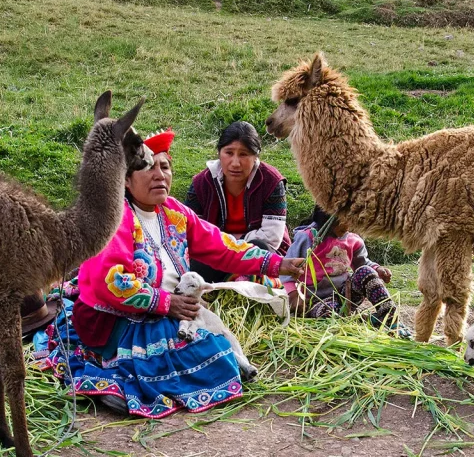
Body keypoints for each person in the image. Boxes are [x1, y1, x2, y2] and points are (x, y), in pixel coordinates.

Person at [33, 129, 305, 418]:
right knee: (200, 358)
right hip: (119, 318)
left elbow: (222, 245)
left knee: (215, 353)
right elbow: (109, 281)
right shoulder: (117, 218)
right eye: (148, 167)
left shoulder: (174, 212)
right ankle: (117, 387)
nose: (159, 174)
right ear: (126, 179)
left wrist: (278, 264)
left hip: (167, 311)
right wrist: (166, 303)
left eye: (165, 166)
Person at [185, 121, 290, 283]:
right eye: (229, 153)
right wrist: (225, 250)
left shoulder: (271, 182)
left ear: (256, 157)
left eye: (243, 154)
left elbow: (272, 237)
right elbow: (191, 233)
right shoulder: (201, 184)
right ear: (219, 153)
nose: (235, 163)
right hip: (218, 255)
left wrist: (230, 247)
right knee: (197, 262)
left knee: (258, 247)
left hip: (262, 255)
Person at [282, 206, 408, 335]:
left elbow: (363, 263)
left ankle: (390, 318)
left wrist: (377, 269)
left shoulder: (353, 240)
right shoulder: (308, 238)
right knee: (329, 317)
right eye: (344, 219)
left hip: (344, 295)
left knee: (365, 271)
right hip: (314, 300)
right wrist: (293, 295)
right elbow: (287, 271)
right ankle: (364, 321)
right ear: (328, 217)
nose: (347, 225)